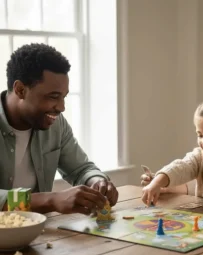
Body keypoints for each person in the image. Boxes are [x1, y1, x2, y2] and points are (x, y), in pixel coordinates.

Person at [0, 43, 118, 214]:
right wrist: (50, 200)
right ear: (20, 90)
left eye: (64, 97)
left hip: (39, 233)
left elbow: (81, 169)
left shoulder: (56, 124)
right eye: (53, 96)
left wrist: (97, 182)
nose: (62, 107)